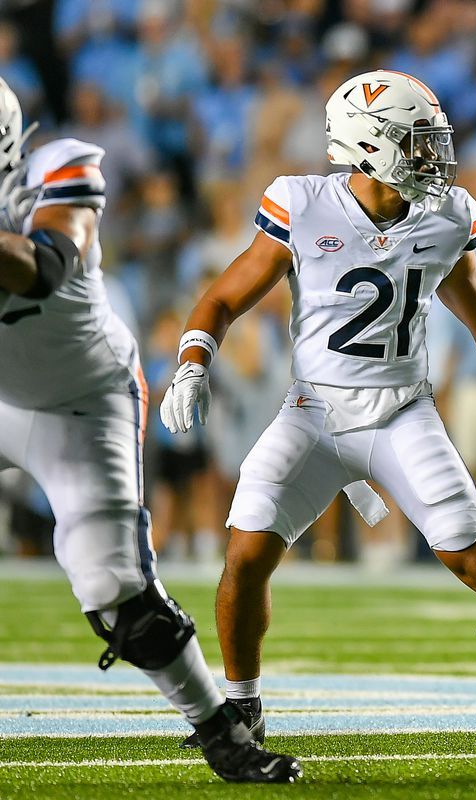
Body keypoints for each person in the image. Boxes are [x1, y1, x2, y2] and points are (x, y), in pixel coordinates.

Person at [160, 71, 476, 750]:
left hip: (401, 414)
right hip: (313, 414)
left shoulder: (446, 215)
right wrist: (192, 362)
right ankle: (241, 708)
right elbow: (222, 298)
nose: (433, 157)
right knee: (244, 554)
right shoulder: (302, 203)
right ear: (366, 143)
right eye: (418, 142)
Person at [0, 78, 301, 783]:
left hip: (81, 399)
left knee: (115, 590)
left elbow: (42, 268)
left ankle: (222, 733)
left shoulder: (59, 169)